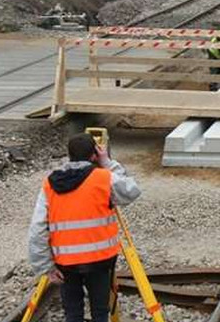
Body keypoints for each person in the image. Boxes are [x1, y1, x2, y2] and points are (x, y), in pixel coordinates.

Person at [29, 134, 141, 322]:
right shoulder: (104, 178)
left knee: (73, 313)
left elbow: (37, 228)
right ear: (94, 155)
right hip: (100, 260)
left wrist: (45, 266)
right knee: (99, 311)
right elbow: (131, 191)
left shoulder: (50, 183)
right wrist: (108, 162)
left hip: (65, 262)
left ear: (69, 155)